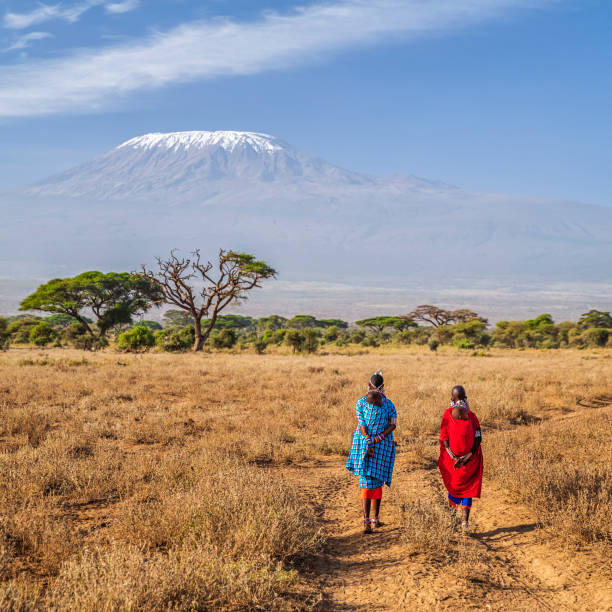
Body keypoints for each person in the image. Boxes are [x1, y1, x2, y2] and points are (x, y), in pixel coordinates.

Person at [346, 371, 397, 533]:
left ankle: (367, 520)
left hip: (363, 445)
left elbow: (362, 426)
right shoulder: (389, 404)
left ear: (369, 386)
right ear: (383, 387)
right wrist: (378, 438)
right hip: (382, 445)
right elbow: (393, 425)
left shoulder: (360, 402)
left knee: (365, 482)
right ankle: (375, 519)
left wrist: (368, 439)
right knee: (377, 480)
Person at [437, 385, 483, 530]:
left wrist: (452, 456)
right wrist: (468, 455)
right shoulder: (472, 416)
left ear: (452, 398)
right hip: (469, 460)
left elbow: (444, 436)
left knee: (454, 485)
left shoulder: (448, 414)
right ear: (465, 398)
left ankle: (451, 518)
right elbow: (478, 437)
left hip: (453, 461)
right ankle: (464, 522)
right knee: (468, 487)